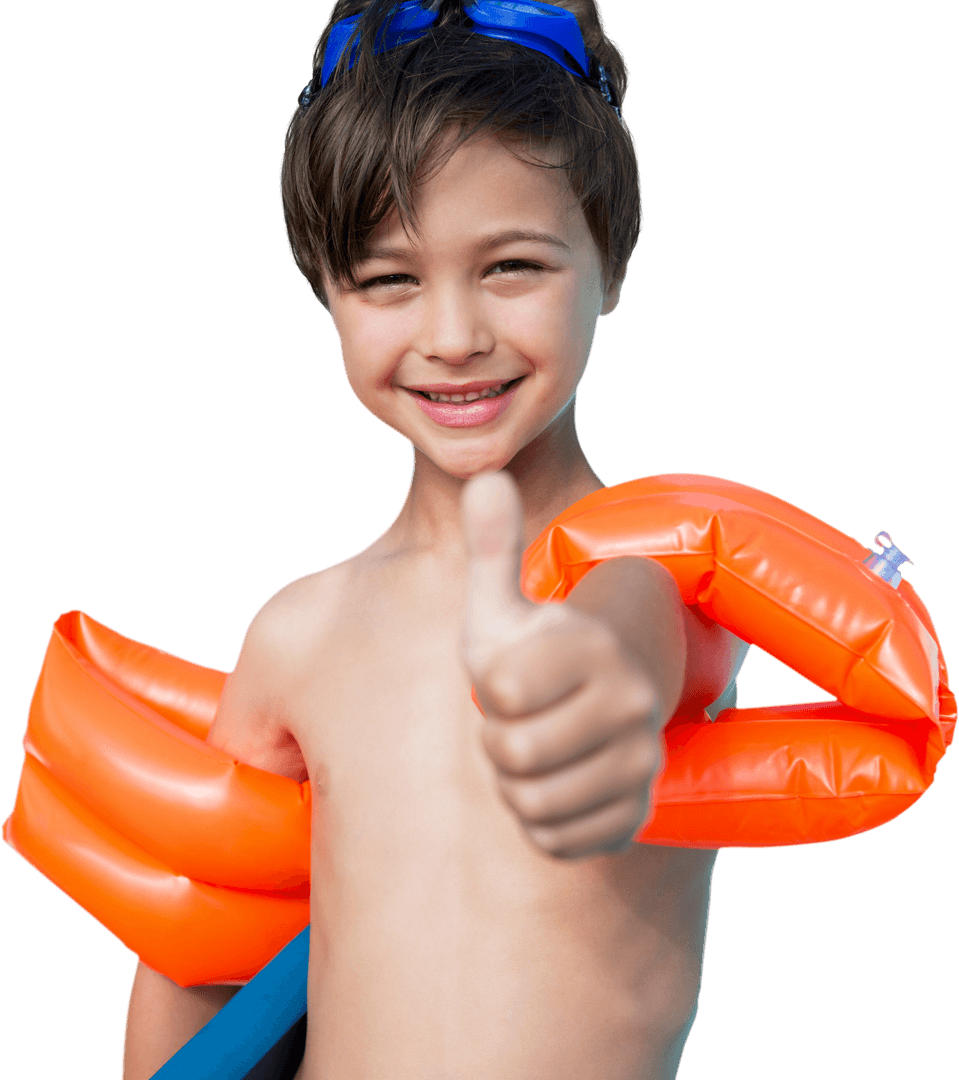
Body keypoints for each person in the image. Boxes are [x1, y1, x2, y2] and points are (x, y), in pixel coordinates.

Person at [118, 2, 749, 1077]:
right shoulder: (297, 632)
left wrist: (584, 702)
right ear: (326, 294)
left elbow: (618, 650)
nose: (452, 336)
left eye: (511, 267)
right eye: (389, 280)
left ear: (615, 264)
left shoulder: (660, 576)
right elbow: (195, 957)